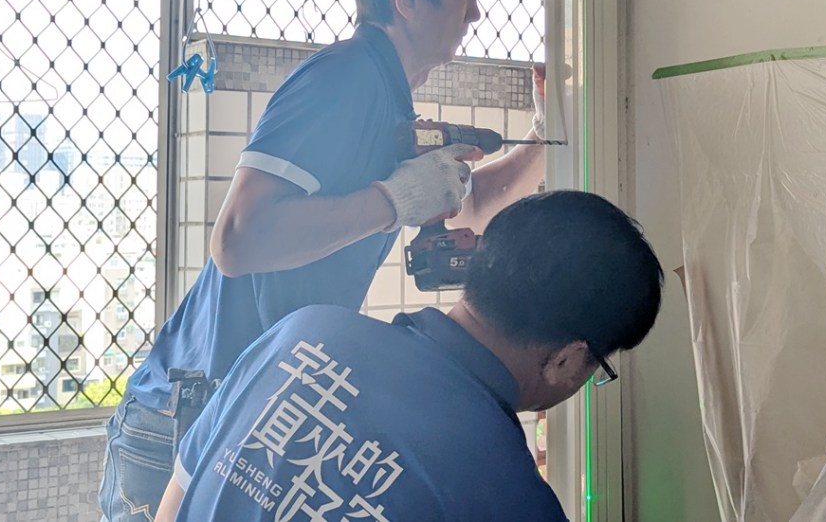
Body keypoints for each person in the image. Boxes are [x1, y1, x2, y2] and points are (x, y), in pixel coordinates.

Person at [99, 0, 551, 521]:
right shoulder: (344, 77)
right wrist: (395, 199)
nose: (475, 13)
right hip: (189, 419)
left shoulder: (383, 92)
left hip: (243, 404)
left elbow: (463, 203)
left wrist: (538, 138)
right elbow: (238, 240)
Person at [152, 190, 664, 522]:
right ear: (568, 359)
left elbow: (176, 502)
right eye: (598, 367)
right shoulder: (508, 494)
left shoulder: (301, 336)